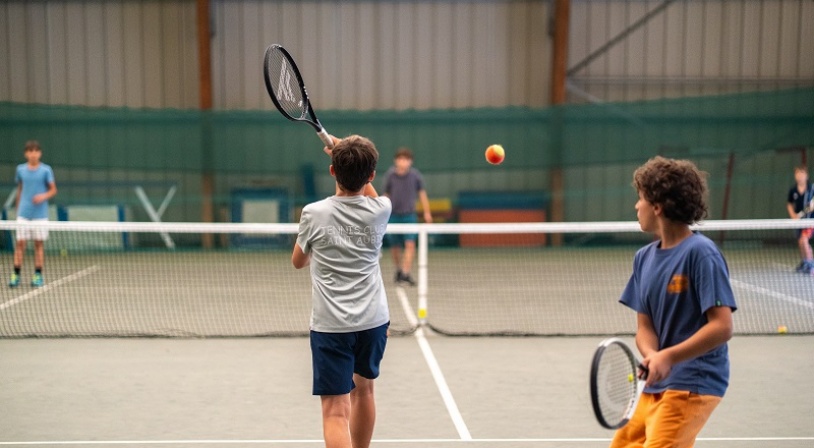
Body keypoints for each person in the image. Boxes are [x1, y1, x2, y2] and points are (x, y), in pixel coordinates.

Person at [610, 156, 737, 448]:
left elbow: (722, 327)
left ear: (658, 207)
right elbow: (644, 326)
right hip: (656, 384)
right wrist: (652, 354)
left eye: (640, 199)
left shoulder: (701, 253)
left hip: (693, 382)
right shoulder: (643, 259)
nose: (636, 206)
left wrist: (669, 357)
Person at [292, 135, 391, 448]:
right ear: (372, 175)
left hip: (331, 326)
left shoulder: (313, 213)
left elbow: (299, 261)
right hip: (374, 322)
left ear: (332, 171)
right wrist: (348, 154)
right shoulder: (382, 209)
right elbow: (370, 195)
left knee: (335, 410)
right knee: (366, 391)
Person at [9, 140, 57, 288]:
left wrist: (42, 196)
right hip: (23, 214)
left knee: (38, 244)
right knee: (20, 244)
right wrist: (18, 209)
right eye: (30, 151)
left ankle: (38, 275)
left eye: (36, 151)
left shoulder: (46, 170)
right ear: (26, 154)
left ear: (40, 153)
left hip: (40, 215)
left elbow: (53, 190)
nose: (33, 154)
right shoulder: (20, 170)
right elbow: (20, 189)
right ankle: (15, 275)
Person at [382, 147, 432, 286]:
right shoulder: (390, 176)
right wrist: (381, 213)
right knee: (395, 247)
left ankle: (405, 273)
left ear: (410, 162)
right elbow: (385, 195)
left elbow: (422, 194)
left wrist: (427, 213)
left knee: (410, 244)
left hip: (409, 216)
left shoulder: (415, 176)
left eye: (406, 159)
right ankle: (398, 270)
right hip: (393, 216)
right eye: (400, 159)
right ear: (396, 161)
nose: (403, 162)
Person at [786, 165, 814, 274]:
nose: (799, 176)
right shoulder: (793, 190)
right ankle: (804, 262)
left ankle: (810, 264)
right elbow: (789, 204)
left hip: (811, 221)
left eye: (802, 173)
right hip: (799, 222)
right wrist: (793, 215)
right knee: (800, 242)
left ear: (806, 175)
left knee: (804, 240)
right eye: (797, 173)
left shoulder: (811, 189)